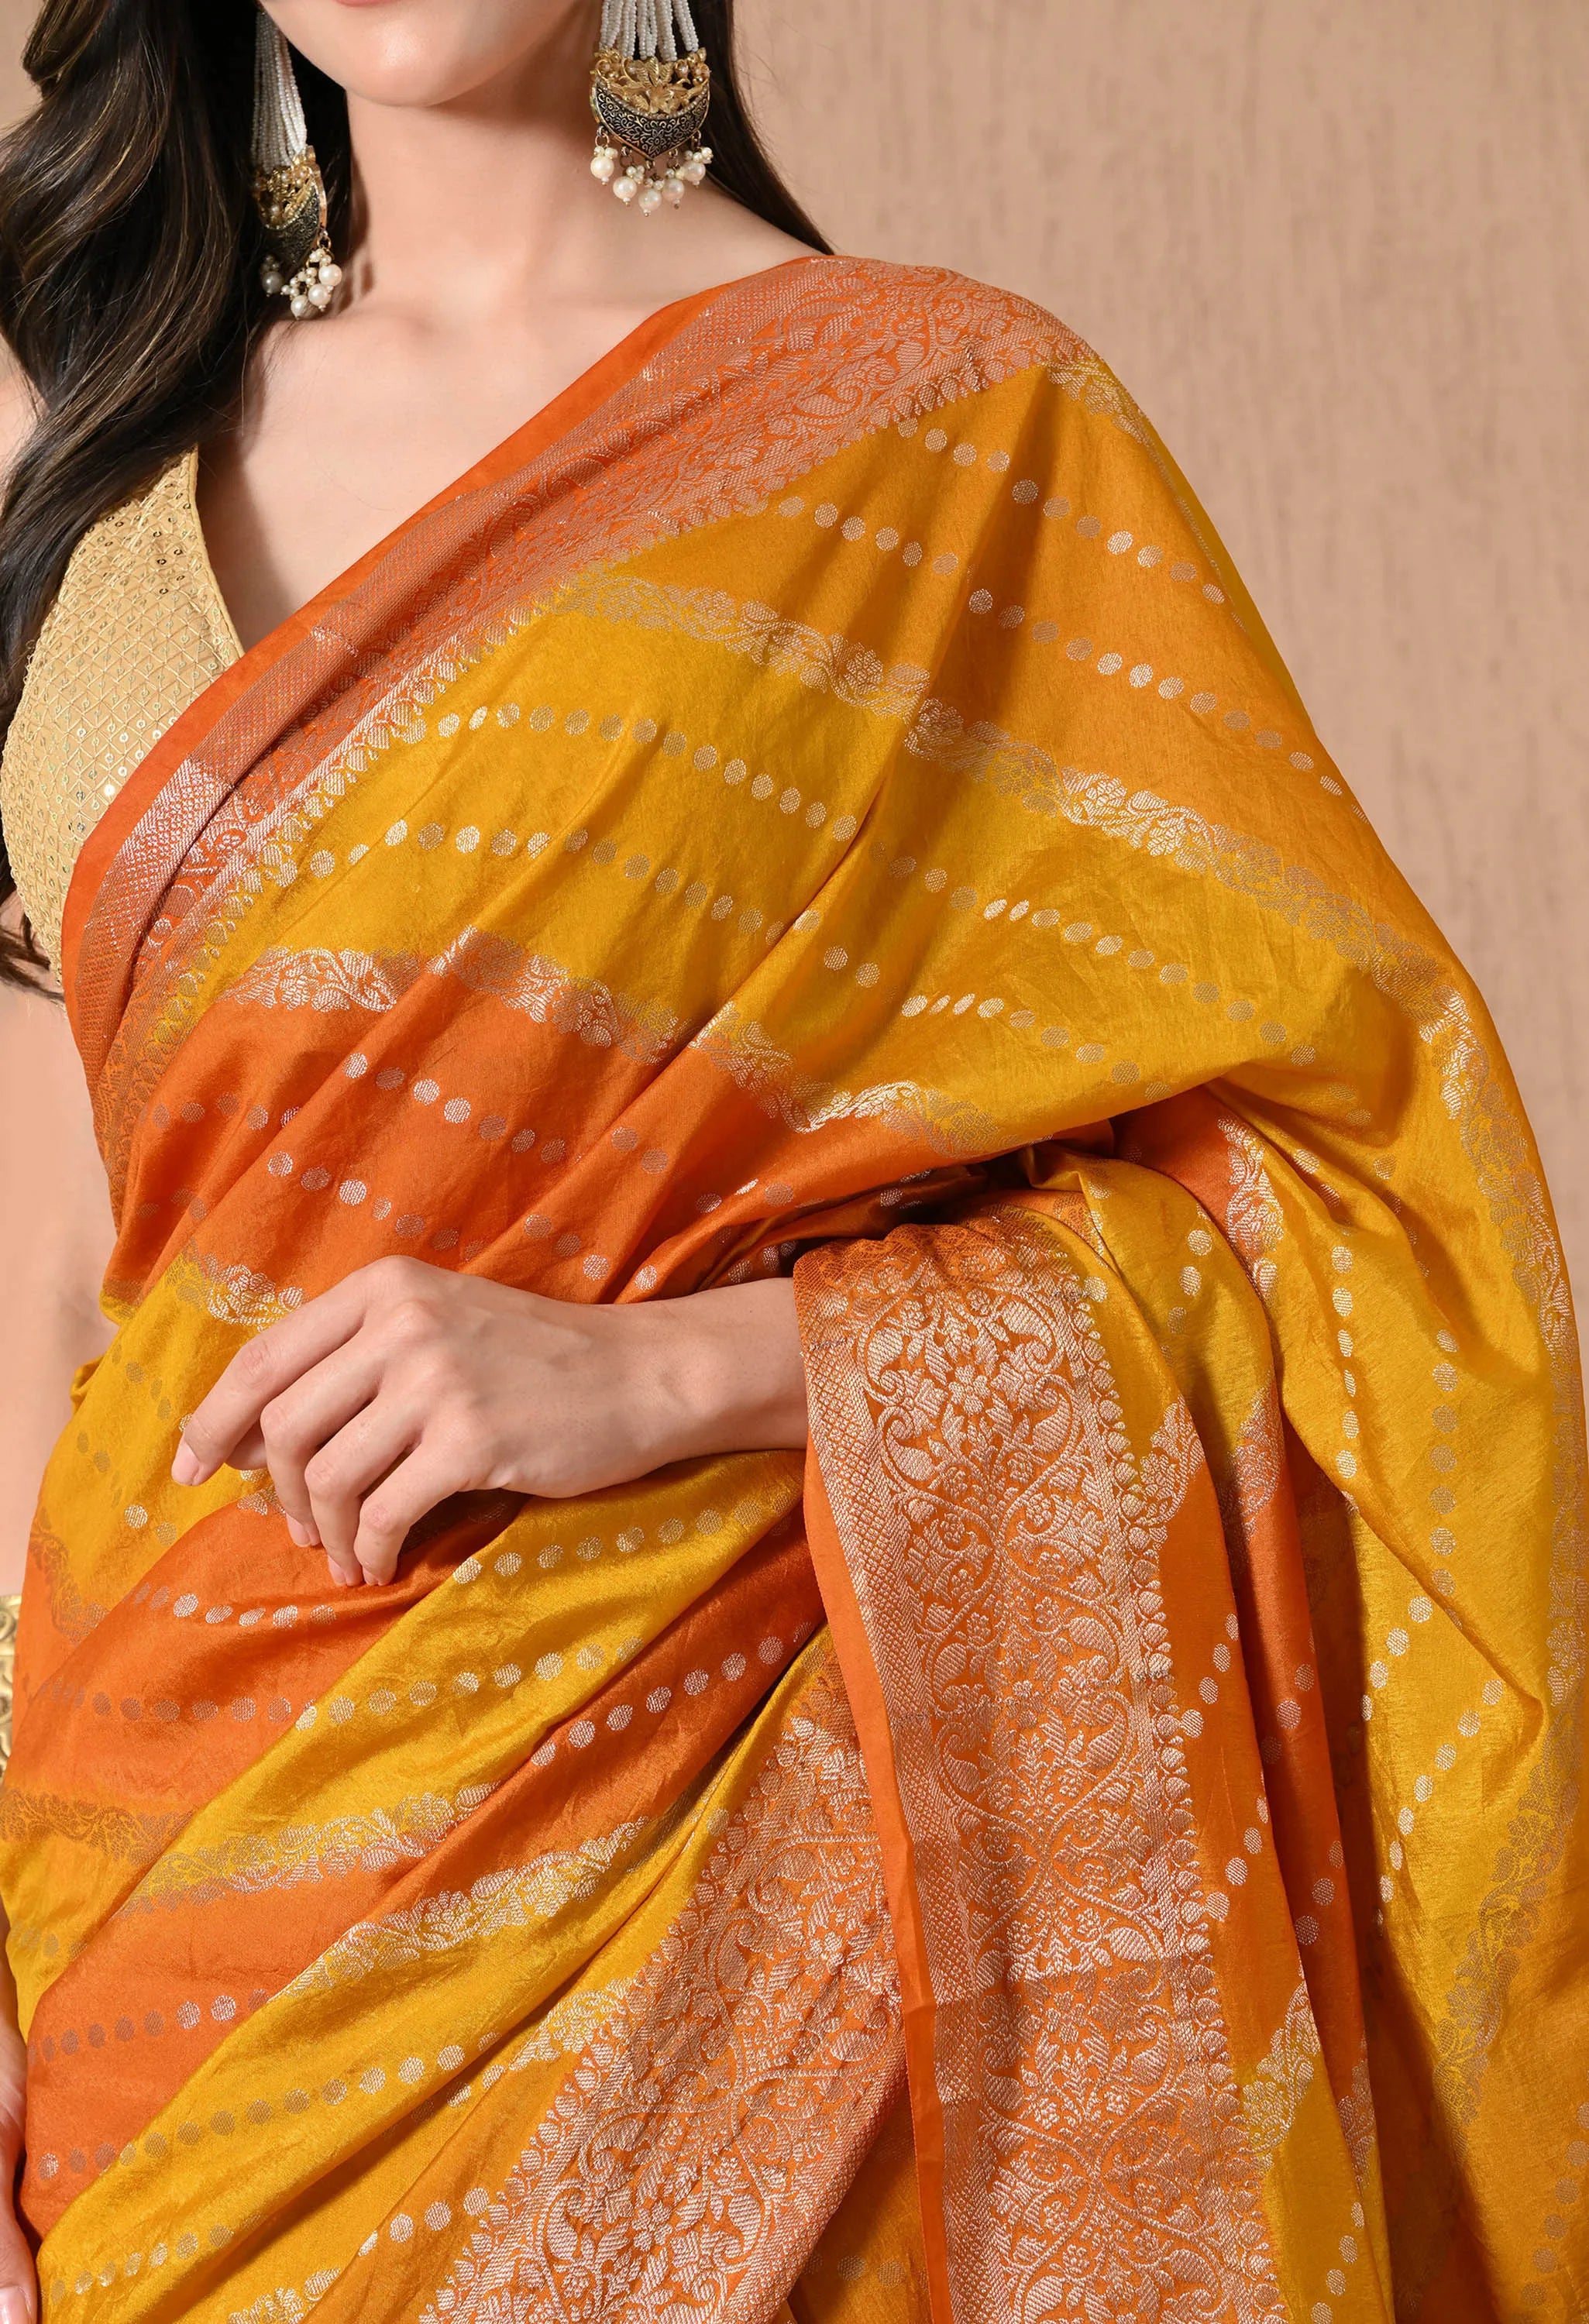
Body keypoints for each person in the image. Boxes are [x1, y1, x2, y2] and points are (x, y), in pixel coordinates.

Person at [0, 2, 1582, 2319]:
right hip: (147, 1899)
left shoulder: (945, 434)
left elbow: (1347, 1217)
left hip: (724, 1850)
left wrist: (671, 1371)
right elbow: (52, 1266)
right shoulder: (82, 455)